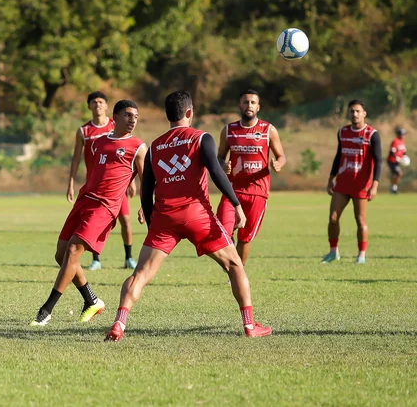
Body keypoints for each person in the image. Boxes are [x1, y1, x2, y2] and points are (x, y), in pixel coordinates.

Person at [105, 91, 272, 342]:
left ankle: (120, 321)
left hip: (164, 218)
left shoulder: (154, 147)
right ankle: (249, 325)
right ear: (190, 113)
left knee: (140, 274)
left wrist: (153, 224)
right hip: (197, 215)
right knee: (235, 265)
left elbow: (146, 191)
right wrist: (236, 204)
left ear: (167, 115)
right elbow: (216, 172)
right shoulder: (202, 138)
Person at [31, 100, 147, 326]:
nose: (133, 120)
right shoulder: (99, 143)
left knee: (74, 250)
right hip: (85, 201)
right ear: (115, 117)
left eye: (136, 116)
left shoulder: (138, 147)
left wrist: (144, 204)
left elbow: (147, 180)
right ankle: (91, 300)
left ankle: (46, 310)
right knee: (60, 254)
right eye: (128, 115)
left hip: (105, 207)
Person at [66, 91, 137, 271]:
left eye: (101, 102)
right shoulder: (84, 131)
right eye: (94, 102)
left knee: (126, 220)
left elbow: (131, 153)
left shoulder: (118, 126)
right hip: (95, 189)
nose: (98, 105)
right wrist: (71, 183)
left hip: (117, 187)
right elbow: (75, 159)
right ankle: (96, 259)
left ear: (106, 106)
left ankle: (129, 257)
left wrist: (132, 181)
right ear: (89, 106)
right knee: (91, 223)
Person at [216, 89, 286, 266]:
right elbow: (219, 157)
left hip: (257, 192)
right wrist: (223, 165)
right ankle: (232, 266)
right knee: (223, 230)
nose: (249, 105)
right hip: (231, 190)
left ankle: (238, 272)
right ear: (240, 105)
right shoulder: (228, 130)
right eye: (246, 102)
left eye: (253, 102)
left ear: (258, 107)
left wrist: (278, 163)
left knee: (245, 238)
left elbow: (281, 156)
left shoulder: (268, 130)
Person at [321, 99, 382, 265]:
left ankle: (361, 255)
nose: (354, 114)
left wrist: (374, 185)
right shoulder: (342, 132)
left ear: (364, 113)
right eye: (351, 111)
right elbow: (338, 155)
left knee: (360, 220)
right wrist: (330, 178)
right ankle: (333, 252)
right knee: (333, 218)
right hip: (342, 184)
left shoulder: (372, 134)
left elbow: (378, 161)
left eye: (357, 111)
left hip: (361, 185)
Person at [388, 127, 407, 194]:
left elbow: (404, 152)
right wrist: (396, 158)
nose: (404, 136)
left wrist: (404, 158)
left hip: (398, 162)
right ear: (399, 134)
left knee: (396, 174)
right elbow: (392, 152)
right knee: (399, 173)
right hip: (392, 161)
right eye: (403, 134)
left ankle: (393, 188)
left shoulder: (403, 142)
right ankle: (393, 188)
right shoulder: (395, 141)